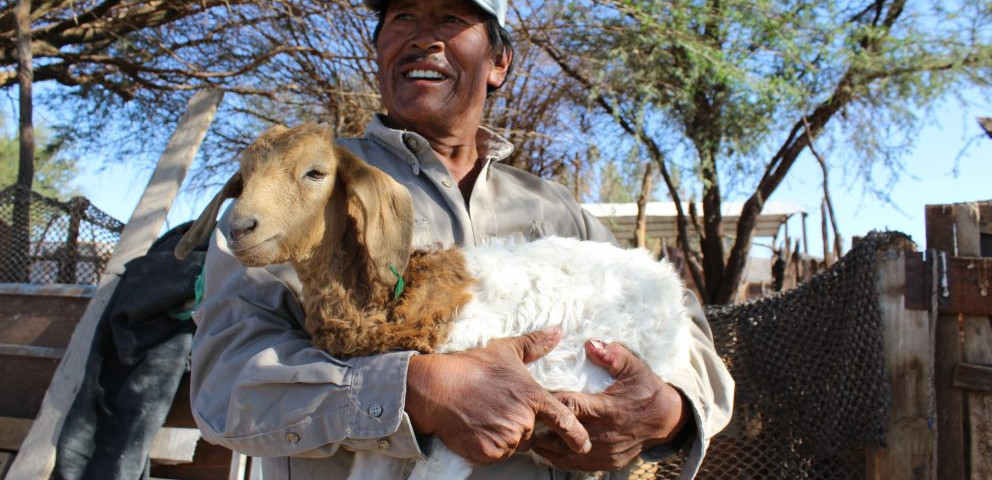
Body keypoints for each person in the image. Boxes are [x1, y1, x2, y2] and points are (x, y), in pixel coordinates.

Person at [188, 0, 734, 478]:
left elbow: (687, 326)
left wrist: (669, 409)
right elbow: (224, 384)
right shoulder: (303, 190)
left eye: (451, 17)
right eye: (403, 16)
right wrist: (415, 390)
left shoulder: (556, 209)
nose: (424, 37)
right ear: (378, 49)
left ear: (498, 62)